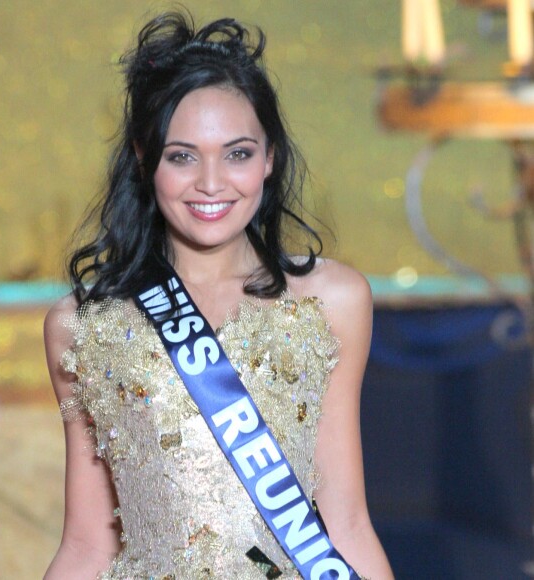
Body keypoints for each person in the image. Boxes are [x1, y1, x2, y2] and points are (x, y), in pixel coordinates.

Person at [44, 10, 393, 580]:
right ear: (143, 158)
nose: (211, 182)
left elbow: (348, 522)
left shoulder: (334, 301)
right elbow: (86, 544)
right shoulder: (84, 326)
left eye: (237, 153)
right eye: (182, 156)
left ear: (270, 158)